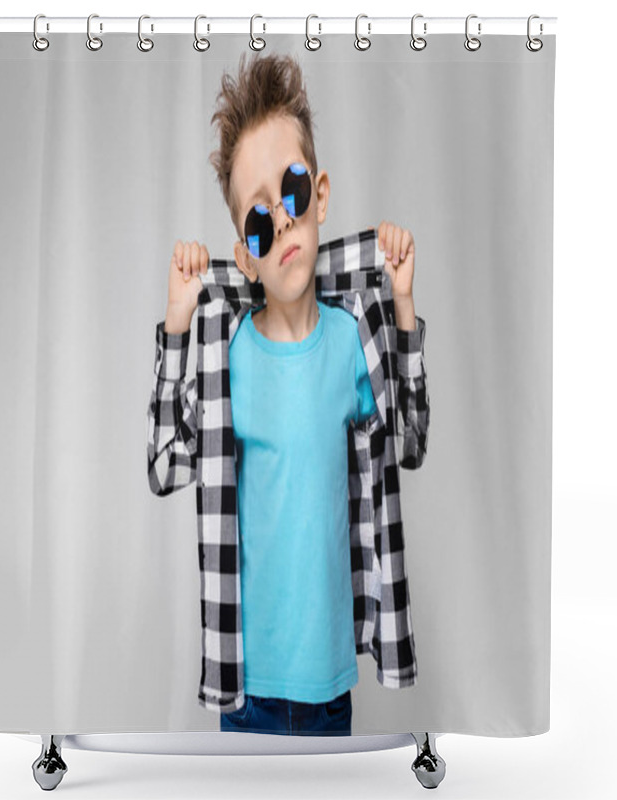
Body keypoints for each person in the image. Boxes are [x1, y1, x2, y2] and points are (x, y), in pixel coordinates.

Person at [153, 52, 423, 736]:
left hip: (332, 682)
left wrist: (404, 305)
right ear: (245, 254)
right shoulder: (228, 356)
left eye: (293, 192)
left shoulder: (352, 340)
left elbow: (411, 441)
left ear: (321, 194)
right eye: (258, 221)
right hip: (250, 686)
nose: (283, 222)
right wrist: (179, 328)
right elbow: (163, 466)